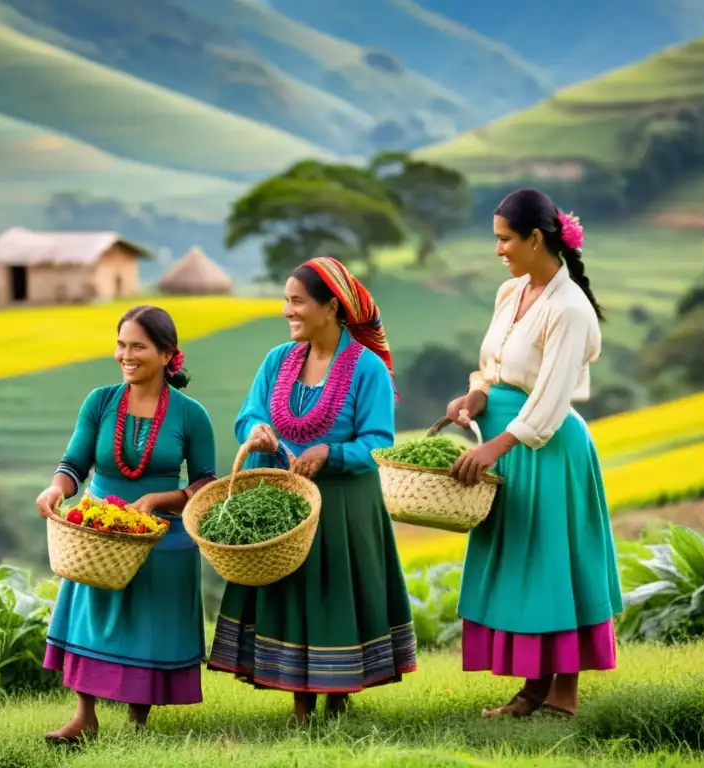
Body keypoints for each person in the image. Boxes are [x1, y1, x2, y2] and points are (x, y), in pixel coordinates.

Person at [206, 256, 417, 725]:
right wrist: (257, 430)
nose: (287, 311)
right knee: (290, 593)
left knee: (332, 595)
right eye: (286, 300)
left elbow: (379, 442)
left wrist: (329, 453)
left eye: (297, 301)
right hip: (282, 504)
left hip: (341, 508)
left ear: (331, 307)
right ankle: (300, 706)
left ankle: (338, 696)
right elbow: (248, 414)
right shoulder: (276, 360)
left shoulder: (367, 370)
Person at [446, 188, 622, 719]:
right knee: (520, 564)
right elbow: (496, 365)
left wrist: (497, 446)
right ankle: (531, 689)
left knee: (553, 565)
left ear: (536, 238)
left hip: (543, 448)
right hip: (505, 443)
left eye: (504, 239)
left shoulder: (570, 309)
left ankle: (561, 696)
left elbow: (549, 398)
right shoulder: (511, 293)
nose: (498, 250)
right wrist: (477, 391)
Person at [35, 305, 217, 743]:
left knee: (148, 626)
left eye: (138, 346)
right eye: (121, 344)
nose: (125, 355)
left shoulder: (191, 415)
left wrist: (157, 499)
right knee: (93, 618)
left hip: (162, 537)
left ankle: (139, 721)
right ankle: (84, 717)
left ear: (167, 353)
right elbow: (74, 462)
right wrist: (57, 489)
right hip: (99, 535)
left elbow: (206, 486)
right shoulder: (100, 402)